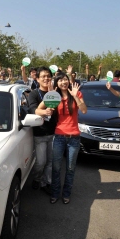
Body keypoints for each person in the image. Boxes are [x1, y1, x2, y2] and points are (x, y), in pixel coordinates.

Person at [37, 73, 87, 204]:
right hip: (59, 136)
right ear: (57, 83)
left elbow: (84, 110)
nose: (63, 82)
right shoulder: (54, 95)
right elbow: (37, 110)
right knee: (56, 167)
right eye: (60, 80)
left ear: (68, 81)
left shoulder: (77, 94)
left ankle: (66, 194)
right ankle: (55, 193)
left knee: (70, 168)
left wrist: (76, 96)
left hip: (74, 137)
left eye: (65, 79)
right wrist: (46, 109)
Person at [29, 66, 57, 195]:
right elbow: (34, 110)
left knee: (50, 162)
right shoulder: (34, 93)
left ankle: (46, 183)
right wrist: (44, 111)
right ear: (38, 79)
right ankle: (37, 178)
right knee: (40, 162)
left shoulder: (56, 92)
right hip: (40, 133)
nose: (46, 78)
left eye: (48, 76)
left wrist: (52, 93)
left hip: (54, 133)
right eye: (43, 76)